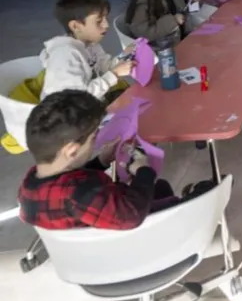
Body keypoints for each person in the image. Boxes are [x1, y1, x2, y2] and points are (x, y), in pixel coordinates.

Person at [18, 90, 159, 229]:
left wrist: (100, 162)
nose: (96, 140)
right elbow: (132, 216)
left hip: (81, 238)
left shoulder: (28, 186)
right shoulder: (81, 194)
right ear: (72, 150)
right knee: (161, 188)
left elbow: (70, 181)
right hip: (127, 233)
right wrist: (143, 171)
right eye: (93, 138)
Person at [40, 0, 134, 103]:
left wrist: (124, 55)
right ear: (75, 26)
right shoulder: (65, 55)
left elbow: (105, 68)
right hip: (70, 110)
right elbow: (77, 99)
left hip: (92, 102)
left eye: (105, 18)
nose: (106, 25)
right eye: (99, 21)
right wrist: (114, 74)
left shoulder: (91, 44)